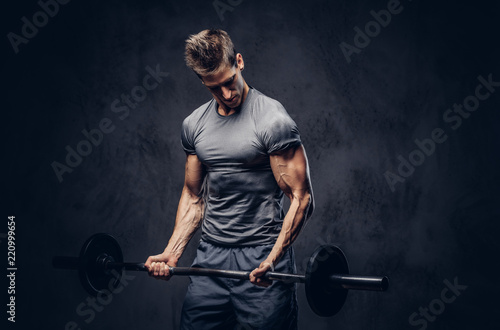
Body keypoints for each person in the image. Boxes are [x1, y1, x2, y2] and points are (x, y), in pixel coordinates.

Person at [145, 29, 314, 329]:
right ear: (202, 82)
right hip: (210, 259)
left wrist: (273, 259)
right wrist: (172, 252)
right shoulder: (194, 125)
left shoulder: (272, 121)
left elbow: (302, 198)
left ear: (239, 62)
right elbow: (194, 195)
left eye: (229, 82)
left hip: (261, 254)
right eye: (214, 88)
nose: (226, 93)